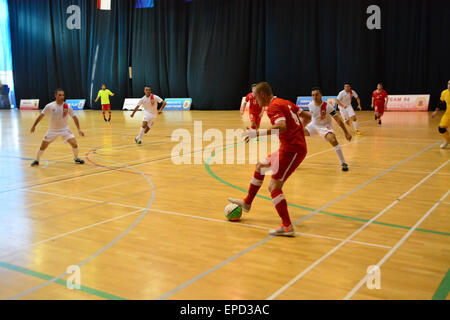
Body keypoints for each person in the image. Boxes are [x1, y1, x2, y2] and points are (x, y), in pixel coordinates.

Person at [228, 82, 310, 237]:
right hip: (288, 147)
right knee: (260, 166)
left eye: (256, 98)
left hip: (292, 150)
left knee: (274, 186)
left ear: (263, 95)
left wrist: (257, 133)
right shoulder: (285, 102)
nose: (256, 102)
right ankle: (247, 202)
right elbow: (307, 116)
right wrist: (298, 130)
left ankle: (287, 226)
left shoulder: (273, 107)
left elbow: (282, 126)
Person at [30, 88, 85, 167]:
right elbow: (41, 116)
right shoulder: (50, 106)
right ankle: (37, 160)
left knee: (74, 144)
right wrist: (34, 126)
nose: (62, 97)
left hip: (65, 129)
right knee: (43, 146)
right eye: (60, 95)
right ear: (55, 96)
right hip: (52, 130)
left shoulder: (67, 106)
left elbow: (74, 117)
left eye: (63, 95)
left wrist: (79, 129)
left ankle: (76, 158)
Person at [304, 87, 352, 171]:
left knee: (333, 140)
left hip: (325, 126)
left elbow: (337, 119)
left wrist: (346, 132)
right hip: (313, 125)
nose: (315, 97)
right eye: (313, 95)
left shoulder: (327, 106)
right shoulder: (310, 104)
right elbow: (309, 117)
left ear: (321, 95)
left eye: (316, 95)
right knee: (297, 133)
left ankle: (343, 162)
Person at [432, 80, 450, 149]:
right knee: (441, 128)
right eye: (448, 84)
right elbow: (440, 102)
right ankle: (447, 141)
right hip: (448, 115)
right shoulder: (444, 93)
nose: (449, 85)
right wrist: (436, 111)